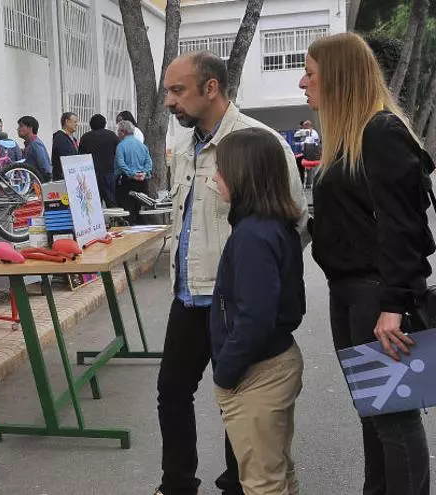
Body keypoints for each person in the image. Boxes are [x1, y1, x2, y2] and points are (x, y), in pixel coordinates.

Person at [155, 51, 308, 495]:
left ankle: (239, 485)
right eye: (168, 91)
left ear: (211, 88)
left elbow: (292, 223)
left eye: (178, 90)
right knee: (172, 391)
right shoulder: (185, 144)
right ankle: (177, 484)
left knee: (240, 395)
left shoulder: (259, 143)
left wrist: (254, 278)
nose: (169, 101)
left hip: (237, 302)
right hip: (188, 294)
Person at [300, 32, 434, 494]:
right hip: (351, 294)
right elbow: (352, 221)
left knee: (393, 419)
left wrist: (394, 306)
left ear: (338, 77)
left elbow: (404, 229)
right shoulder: (350, 138)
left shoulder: (380, 133)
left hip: (377, 297)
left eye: (310, 73)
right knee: (375, 414)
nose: (302, 82)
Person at [210, 128, 306, 495]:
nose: (215, 178)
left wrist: (226, 373)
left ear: (242, 175)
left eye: (221, 169)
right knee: (277, 471)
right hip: (274, 361)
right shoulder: (273, 226)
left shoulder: (253, 235)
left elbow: (255, 317)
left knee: (262, 482)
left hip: (257, 372)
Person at [114, 120, 152, 224]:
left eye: (118, 131)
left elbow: (120, 163)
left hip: (127, 182)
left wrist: (131, 174)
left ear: (123, 132)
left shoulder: (121, 146)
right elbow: (149, 163)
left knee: (128, 212)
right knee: (141, 211)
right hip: (142, 181)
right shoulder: (142, 145)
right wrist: (144, 173)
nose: (117, 134)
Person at [78, 114, 120, 207]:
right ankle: (114, 215)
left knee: (94, 202)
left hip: (91, 173)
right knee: (111, 200)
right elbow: (118, 153)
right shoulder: (112, 136)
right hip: (109, 172)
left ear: (91, 124)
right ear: (104, 123)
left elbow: (81, 156)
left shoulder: (85, 137)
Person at [17, 115, 52, 181]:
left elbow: (45, 168)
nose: (18, 129)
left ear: (30, 128)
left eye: (21, 126)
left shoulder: (35, 144)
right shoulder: (30, 144)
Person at [293, 120, 321, 187]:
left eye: (304, 126)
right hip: (306, 152)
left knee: (310, 169)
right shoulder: (306, 132)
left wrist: (300, 143)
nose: (303, 127)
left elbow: (310, 142)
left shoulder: (313, 132)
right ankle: (305, 183)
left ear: (307, 125)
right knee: (305, 169)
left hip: (311, 153)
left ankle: (310, 183)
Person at [51, 112, 79, 181]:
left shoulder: (73, 139)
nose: (76, 124)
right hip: (63, 178)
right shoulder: (60, 138)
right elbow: (67, 157)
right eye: (75, 122)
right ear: (67, 122)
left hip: (72, 176)